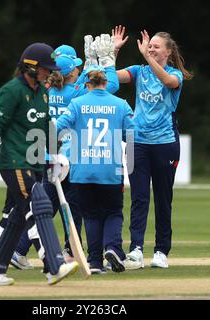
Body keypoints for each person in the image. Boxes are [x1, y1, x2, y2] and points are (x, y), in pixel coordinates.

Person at [0, 42, 78, 285]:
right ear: (31, 67)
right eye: (44, 69)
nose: (48, 73)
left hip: (33, 161)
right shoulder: (11, 90)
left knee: (17, 216)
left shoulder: (42, 91)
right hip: (14, 161)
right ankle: (53, 266)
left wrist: (55, 155)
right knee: (37, 204)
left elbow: (47, 125)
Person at [11, 36, 121, 267]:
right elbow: (108, 86)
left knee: (47, 204)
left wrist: (90, 63)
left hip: (47, 155)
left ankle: (20, 249)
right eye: (78, 66)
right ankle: (70, 250)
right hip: (72, 158)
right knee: (73, 207)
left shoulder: (46, 89)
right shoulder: (78, 94)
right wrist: (99, 61)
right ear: (72, 71)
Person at [114, 26, 193, 269]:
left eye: (156, 46)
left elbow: (167, 81)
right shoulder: (139, 71)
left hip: (165, 144)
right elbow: (108, 79)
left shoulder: (176, 75)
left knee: (162, 198)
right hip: (137, 142)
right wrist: (113, 52)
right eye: (150, 46)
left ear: (168, 52)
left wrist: (148, 58)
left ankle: (161, 251)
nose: (151, 49)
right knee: (138, 197)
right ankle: (136, 249)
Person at [57, 65, 135, 274]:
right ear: (106, 83)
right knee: (113, 212)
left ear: (86, 84)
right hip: (110, 169)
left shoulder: (76, 103)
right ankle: (112, 248)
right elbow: (132, 135)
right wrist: (130, 166)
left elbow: (57, 128)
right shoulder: (121, 105)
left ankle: (95, 262)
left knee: (90, 216)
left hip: (81, 171)